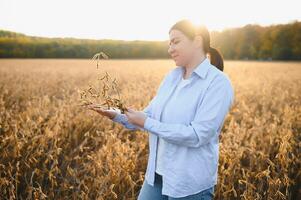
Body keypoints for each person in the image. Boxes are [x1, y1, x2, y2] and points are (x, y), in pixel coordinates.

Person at [87, 19, 235, 200]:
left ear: (197, 41)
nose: (170, 49)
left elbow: (198, 135)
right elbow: (149, 116)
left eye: (176, 41)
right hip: (157, 176)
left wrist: (147, 122)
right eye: (169, 43)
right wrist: (115, 114)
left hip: (189, 185)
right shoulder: (172, 77)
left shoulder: (218, 83)